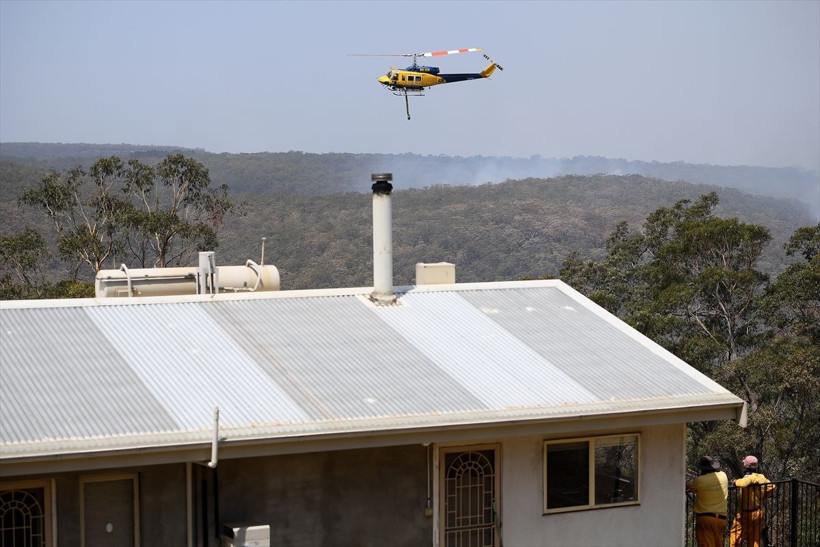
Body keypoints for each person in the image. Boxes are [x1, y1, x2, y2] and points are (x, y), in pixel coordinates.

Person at [730, 455, 775, 547]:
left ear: (746, 466)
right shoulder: (761, 477)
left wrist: (735, 482)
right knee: (754, 539)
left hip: (746, 514)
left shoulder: (750, 478)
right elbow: (772, 486)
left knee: (735, 537)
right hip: (758, 512)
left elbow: (742, 483)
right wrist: (763, 496)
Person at [686, 456, 729, 547]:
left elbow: (687, 485)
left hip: (705, 519)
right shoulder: (723, 475)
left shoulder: (699, 481)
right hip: (721, 519)